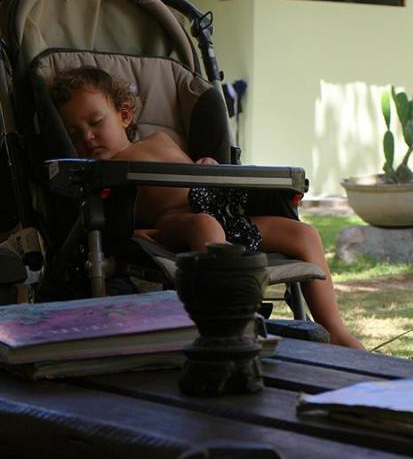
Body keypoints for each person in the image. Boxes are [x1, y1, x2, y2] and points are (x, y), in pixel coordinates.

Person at [51, 66, 364, 349]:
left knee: (304, 234)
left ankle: (335, 330)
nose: (87, 137)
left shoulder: (161, 140)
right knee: (204, 225)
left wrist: (207, 164)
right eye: (74, 134)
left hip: (220, 206)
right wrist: (131, 234)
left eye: (95, 122)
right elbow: (107, 218)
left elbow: (189, 170)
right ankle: (230, 317)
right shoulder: (101, 172)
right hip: (176, 221)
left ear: (124, 115)